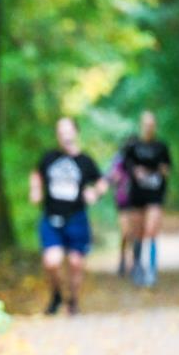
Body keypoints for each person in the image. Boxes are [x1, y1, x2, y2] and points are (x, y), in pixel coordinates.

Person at [29, 117, 108, 316]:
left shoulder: (85, 161)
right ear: (57, 135)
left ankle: (72, 300)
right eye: (60, 131)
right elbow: (36, 174)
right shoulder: (49, 157)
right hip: (51, 218)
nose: (64, 135)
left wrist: (94, 193)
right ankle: (56, 294)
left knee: (75, 263)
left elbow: (102, 182)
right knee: (51, 261)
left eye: (67, 130)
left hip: (76, 218)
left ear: (75, 133)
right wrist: (36, 189)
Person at [122, 111, 172, 287]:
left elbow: (168, 168)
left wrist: (162, 171)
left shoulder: (161, 147)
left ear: (155, 126)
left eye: (152, 125)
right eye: (146, 124)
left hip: (155, 194)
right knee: (138, 233)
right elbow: (124, 165)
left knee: (151, 231)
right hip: (137, 195)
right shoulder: (132, 145)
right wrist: (136, 171)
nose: (149, 128)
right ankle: (137, 266)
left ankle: (151, 270)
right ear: (141, 125)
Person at [106, 150, 134, 276]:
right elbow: (110, 177)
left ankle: (133, 262)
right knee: (125, 232)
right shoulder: (119, 161)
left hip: (137, 202)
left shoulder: (138, 160)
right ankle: (123, 260)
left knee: (134, 234)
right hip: (123, 201)